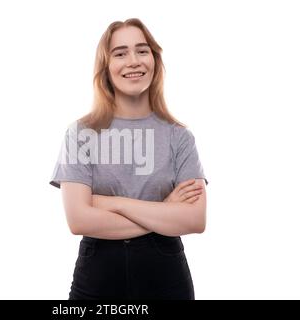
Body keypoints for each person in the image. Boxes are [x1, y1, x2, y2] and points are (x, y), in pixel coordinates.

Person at [49, 18, 209, 300]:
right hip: (97, 276)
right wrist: (164, 210)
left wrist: (111, 203)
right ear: (106, 67)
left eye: (142, 50)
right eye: (120, 53)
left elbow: (195, 219)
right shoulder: (81, 134)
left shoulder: (179, 137)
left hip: (166, 277)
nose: (133, 61)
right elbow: (78, 220)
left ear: (155, 61)